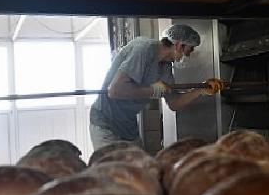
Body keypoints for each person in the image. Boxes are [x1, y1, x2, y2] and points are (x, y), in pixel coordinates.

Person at [89, 24, 225, 150]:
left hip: (128, 126)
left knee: (138, 171)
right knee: (110, 172)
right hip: (105, 123)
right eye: (188, 51)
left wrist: (201, 89)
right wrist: (153, 90)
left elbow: (174, 103)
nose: (187, 56)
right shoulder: (143, 49)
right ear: (178, 45)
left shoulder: (165, 66)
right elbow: (115, 90)